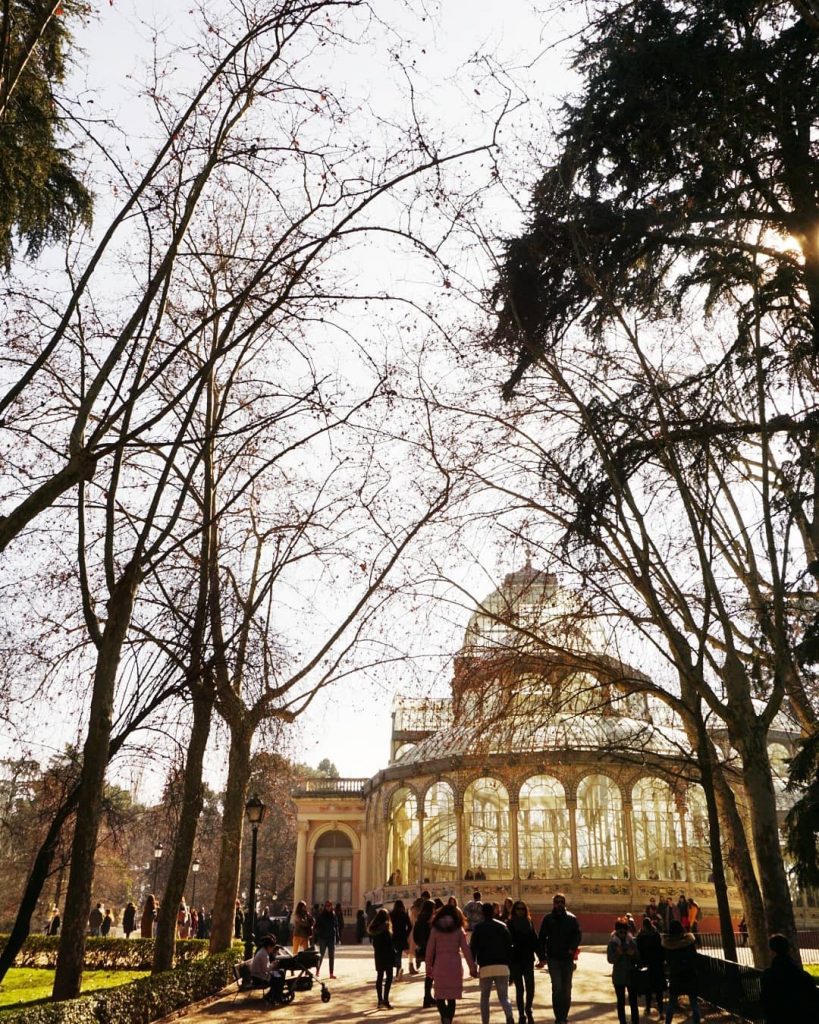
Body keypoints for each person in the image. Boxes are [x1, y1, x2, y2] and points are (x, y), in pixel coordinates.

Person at [426, 903, 477, 1024]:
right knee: (451, 997)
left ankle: (445, 1017)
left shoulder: (435, 929)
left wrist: (428, 966)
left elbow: (430, 949)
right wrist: (472, 967)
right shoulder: (459, 929)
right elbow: (466, 950)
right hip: (454, 966)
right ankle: (448, 1019)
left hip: (440, 965)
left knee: (439, 996)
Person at [536, 893, 581, 1024]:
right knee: (557, 988)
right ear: (553, 904)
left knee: (567, 989)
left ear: (565, 903)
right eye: (557, 902)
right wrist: (542, 957)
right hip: (553, 958)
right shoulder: (548, 919)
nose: (559, 904)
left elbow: (577, 935)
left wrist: (572, 948)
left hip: (567, 959)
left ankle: (563, 1016)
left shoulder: (572, 919)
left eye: (562, 902)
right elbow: (542, 938)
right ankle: (558, 1016)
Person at [470, 901, 514, 1024]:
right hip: (502, 966)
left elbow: (473, 948)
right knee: (504, 997)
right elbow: (509, 947)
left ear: (482, 913)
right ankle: (509, 1015)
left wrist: (473, 965)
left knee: (485, 997)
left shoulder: (478, 928)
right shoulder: (502, 926)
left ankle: (485, 1022)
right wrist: (510, 966)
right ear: (494, 912)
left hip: (485, 967)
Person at [760, 933, 819, 1024]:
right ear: (789, 949)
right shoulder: (803, 975)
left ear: (772, 951)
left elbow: (767, 1002)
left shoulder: (768, 976)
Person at [662, 920, 700, 1023]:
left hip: (676, 976)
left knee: (672, 1003)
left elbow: (667, 961)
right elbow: (694, 957)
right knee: (694, 1003)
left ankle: (667, 1022)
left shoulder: (668, 945)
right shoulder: (689, 942)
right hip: (689, 975)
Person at [507, 899, 537, 1024]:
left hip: (528, 959)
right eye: (518, 909)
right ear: (514, 910)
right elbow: (507, 943)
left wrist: (542, 956)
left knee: (530, 987)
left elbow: (535, 940)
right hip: (515, 960)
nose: (520, 911)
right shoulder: (509, 924)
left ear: (526, 911)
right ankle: (521, 1013)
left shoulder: (529, 922)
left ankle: (528, 1008)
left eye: (522, 909)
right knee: (520, 988)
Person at [607, 917, 640, 1024]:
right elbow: (610, 959)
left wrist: (633, 954)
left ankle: (636, 1022)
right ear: (616, 931)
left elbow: (638, 957)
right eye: (620, 931)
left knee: (633, 1001)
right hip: (618, 976)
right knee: (621, 1002)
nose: (622, 934)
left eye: (624, 931)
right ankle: (622, 1022)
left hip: (631, 975)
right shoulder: (612, 943)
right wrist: (618, 953)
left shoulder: (631, 941)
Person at [636, 916, 664, 1018]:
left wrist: (640, 963)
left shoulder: (641, 936)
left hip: (647, 966)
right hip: (657, 965)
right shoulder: (656, 934)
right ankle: (661, 1012)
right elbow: (662, 949)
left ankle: (648, 1009)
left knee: (648, 990)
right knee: (659, 990)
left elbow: (638, 951)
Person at [368, 907, 396, 1009]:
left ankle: (380, 1000)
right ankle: (385, 999)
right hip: (387, 955)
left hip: (379, 955)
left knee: (379, 977)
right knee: (389, 977)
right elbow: (389, 943)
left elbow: (375, 944)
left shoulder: (374, 929)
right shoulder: (386, 927)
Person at [413, 899, 436, 1008]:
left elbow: (415, 937)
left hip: (423, 949)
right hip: (432, 949)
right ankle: (429, 997)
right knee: (433, 974)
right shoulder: (431, 920)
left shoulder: (419, 919)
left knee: (429, 974)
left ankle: (427, 997)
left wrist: (421, 944)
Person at [250, 935, 286, 1003]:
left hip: (258, 975)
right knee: (279, 979)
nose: (272, 950)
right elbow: (266, 969)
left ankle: (274, 995)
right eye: (272, 948)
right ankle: (276, 997)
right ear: (269, 946)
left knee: (280, 974)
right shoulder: (264, 954)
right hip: (258, 978)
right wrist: (273, 964)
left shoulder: (263, 951)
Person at [314, 899, 338, 978]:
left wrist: (337, 936)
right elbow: (316, 926)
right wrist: (319, 933)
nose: (328, 907)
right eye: (327, 906)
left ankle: (331, 973)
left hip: (331, 937)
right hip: (323, 938)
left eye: (330, 906)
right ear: (325, 907)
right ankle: (317, 971)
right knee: (321, 955)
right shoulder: (321, 915)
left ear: (331, 906)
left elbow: (336, 926)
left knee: (332, 956)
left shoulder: (333, 915)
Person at [390, 898, 412, 978]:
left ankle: (397, 968)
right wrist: (406, 934)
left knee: (395, 953)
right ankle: (398, 969)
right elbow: (409, 926)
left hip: (394, 935)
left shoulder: (391, 914)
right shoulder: (404, 914)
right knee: (399, 953)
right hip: (402, 935)